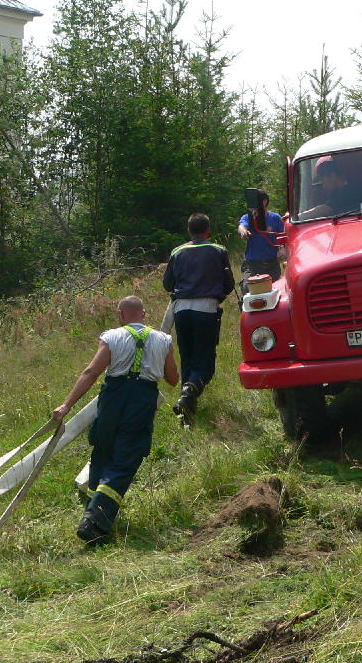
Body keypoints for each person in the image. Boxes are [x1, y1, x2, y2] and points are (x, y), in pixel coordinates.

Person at [53, 296, 178, 545]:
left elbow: (91, 372)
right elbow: (173, 379)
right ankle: (95, 521)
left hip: (113, 398)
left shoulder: (111, 337)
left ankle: (92, 510)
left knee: (103, 452)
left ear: (121, 315)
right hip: (142, 399)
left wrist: (66, 404)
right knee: (125, 460)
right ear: (143, 314)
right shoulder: (163, 340)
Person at [162, 213, 235, 425]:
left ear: (189, 231)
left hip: (181, 310)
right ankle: (188, 392)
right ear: (208, 230)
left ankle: (186, 412)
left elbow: (168, 284)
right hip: (207, 309)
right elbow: (228, 284)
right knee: (205, 363)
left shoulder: (177, 252)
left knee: (187, 357)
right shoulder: (219, 250)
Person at [238, 189, 284, 296]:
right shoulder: (247, 218)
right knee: (247, 289)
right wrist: (243, 231)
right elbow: (241, 226)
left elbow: (283, 237)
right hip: (252, 265)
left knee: (275, 291)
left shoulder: (275, 218)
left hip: (271, 264)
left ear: (265, 201)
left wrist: (283, 248)